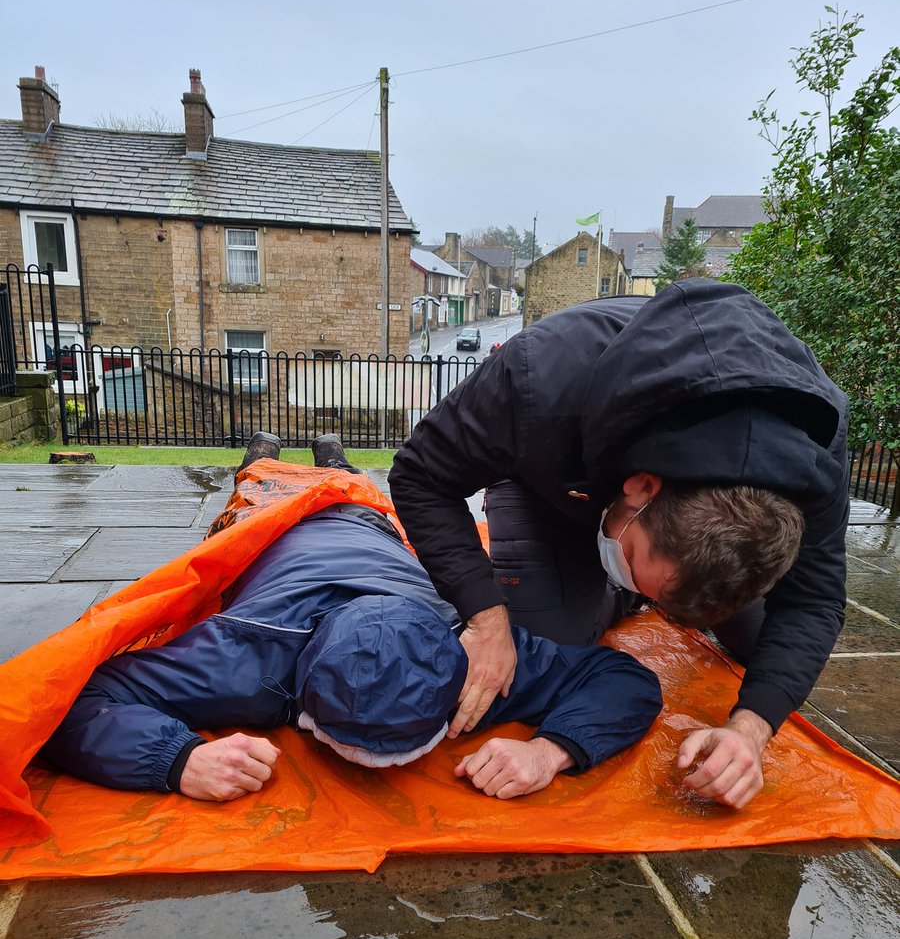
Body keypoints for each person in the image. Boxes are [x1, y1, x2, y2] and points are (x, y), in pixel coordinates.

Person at [388, 279, 849, 810]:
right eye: (631, 563)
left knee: (764, 646)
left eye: (658, 598)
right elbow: (420, 474)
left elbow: (814, 601)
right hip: (545, 481)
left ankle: (626, 587)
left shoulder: (813, 452)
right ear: (642, 487)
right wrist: (485, 617)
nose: (662, 613)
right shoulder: (542, 376)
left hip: (633, 489)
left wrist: (752, 727)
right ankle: (604, 591)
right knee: (541, 650)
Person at [39, 435, 662, 803]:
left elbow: (625, 679)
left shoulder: (479, 659)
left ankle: (332, 458)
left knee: (354, 490)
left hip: (366, 526)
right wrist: (177, 761)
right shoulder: (243, 657)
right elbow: (67, 699)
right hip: (270, 529)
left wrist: (551, 753)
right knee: (258, 485)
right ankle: (260, 454)